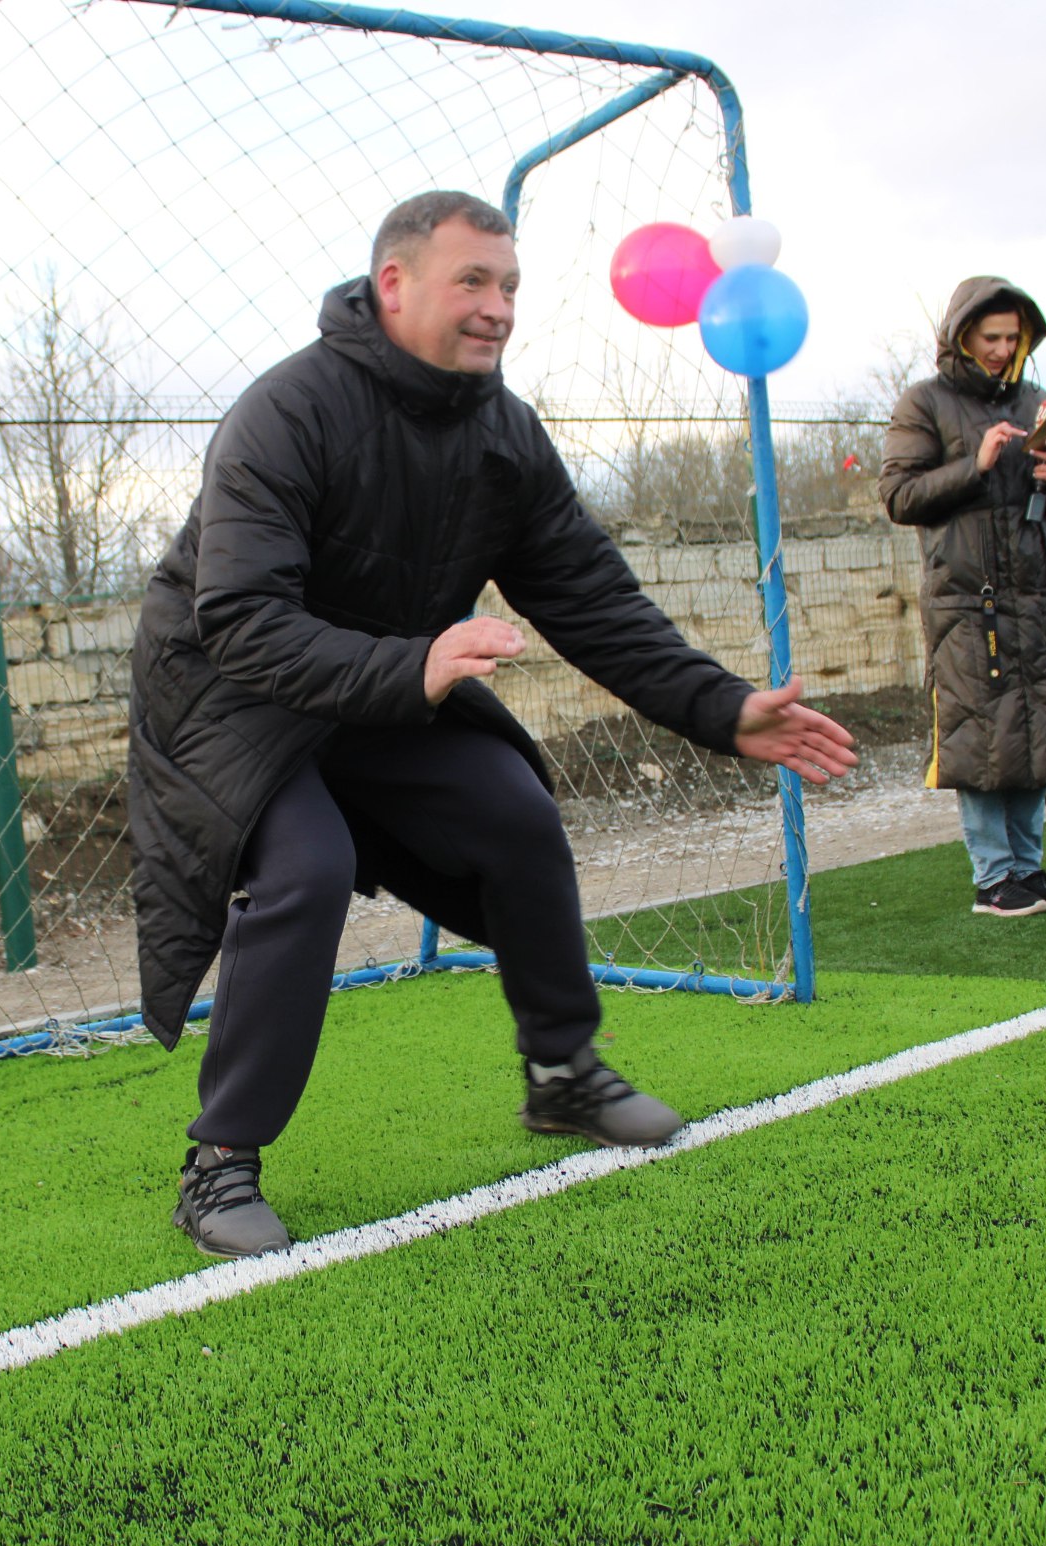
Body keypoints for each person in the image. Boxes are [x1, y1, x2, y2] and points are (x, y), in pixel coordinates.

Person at [127, 192, 859, 1258]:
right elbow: (238, 620)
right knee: (306, 864)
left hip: (389, 686)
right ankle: (220, 1160)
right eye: (472, 280)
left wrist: (721, 706)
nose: (497, 306)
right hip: (231, 697)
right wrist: (414, 662)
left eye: (508, 284)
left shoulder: (502, 432)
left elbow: (591, 598)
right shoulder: (286, 412)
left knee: (513, 807)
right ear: (394, 285)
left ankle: (562, 1073)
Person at [879, 277, 1046, 918]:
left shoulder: (1033, 401)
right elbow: (899, 497)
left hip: (1038, 595)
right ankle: (993, 877)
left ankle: (1027, 866)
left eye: (1012, 337)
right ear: (961, 334)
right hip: (970, 603)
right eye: (990, 336)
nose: (1001, 348)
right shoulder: (925, 402)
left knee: (1033, 731)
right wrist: (978, 463)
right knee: (981, 736)